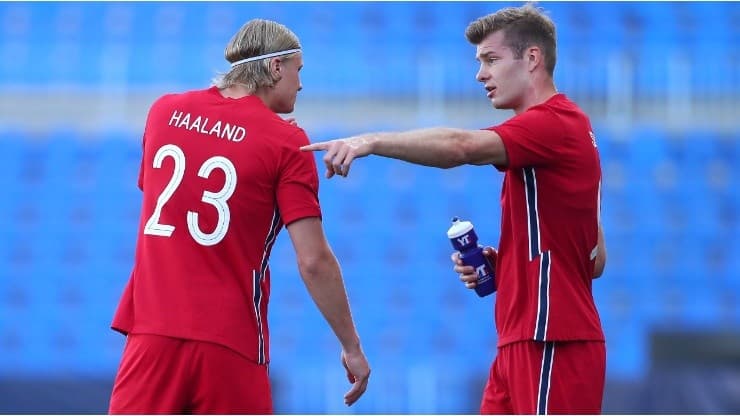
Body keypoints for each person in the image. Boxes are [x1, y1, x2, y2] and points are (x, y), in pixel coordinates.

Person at [301, 4, 606, 415]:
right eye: (480, 62)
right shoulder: (567, 131)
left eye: (491, 60)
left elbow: (462, 147)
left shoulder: (554, 123)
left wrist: (370, 141)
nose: (480, 74)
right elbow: (595, 258)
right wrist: (511, 266)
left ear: (532, 58)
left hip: (553, 337)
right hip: (523, 337)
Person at [108, 19, 370, 414]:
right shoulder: (288, 143)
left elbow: (165, 199)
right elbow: (313, 261)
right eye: (298, 71)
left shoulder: (164, 111)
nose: (300, 85)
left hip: (150, 334)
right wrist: (352, 346)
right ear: (276, 68)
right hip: (229, 341)